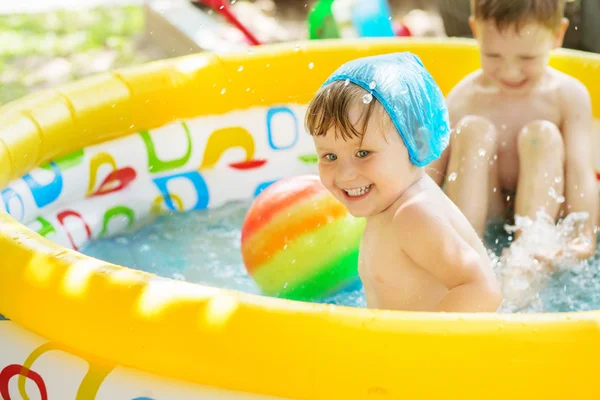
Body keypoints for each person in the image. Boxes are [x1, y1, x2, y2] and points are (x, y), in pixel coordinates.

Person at [304, 53, 502, 312]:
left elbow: (483, 291)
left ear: (416, 143)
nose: (345, 174)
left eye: (363, 153)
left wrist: (415, 347)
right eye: (329, 156)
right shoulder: (389, 202)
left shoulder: (412, 214)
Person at [427, 0, 598, 261]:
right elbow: (428, 175)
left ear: (557, 35)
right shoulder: (464, 99)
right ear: (475, 30)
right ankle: (463, 251)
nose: (510, 71)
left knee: (542, 135)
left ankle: (529, 255)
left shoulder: (567, 96)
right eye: (493, 55)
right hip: (485, 217)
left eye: (527, 57)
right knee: (473, 130)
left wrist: (584, 236)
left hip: (544, 218)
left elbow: (579, 172)